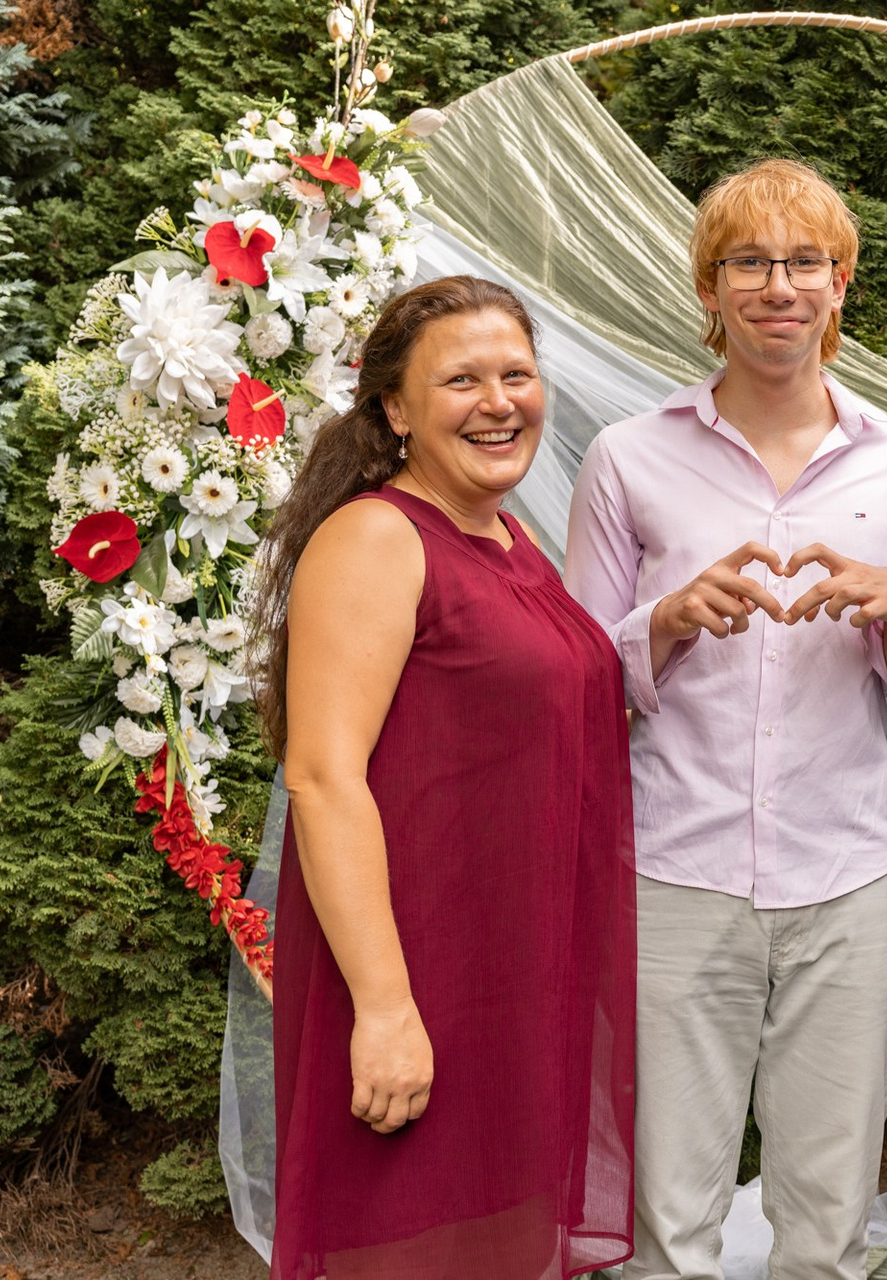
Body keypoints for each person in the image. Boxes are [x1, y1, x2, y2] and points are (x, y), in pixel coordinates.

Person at [564, 157, 887, 1280]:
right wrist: (663, 622)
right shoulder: (629, 458)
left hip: (848, 883)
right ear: (710, 286)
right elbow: (572, 685)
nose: (779, 285)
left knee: (828, 1225)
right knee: (667, 1225)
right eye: (749, 262)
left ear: (841, 285)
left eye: (804, 263)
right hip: (676, 878)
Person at [252, 276, 636, 1280]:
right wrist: (384, 1009)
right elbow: (322, 775)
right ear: (396, 409)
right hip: (417, 975)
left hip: (510, 974)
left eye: (517, 374)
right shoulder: (378, 537)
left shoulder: (512, 538)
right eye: (461, 380)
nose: (499, 401)